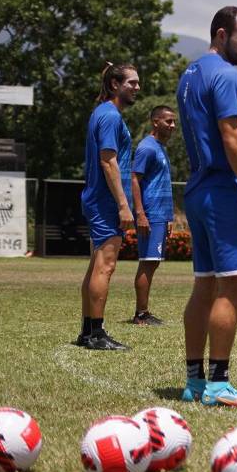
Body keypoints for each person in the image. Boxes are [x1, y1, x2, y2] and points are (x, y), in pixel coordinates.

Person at [177, 6, 237, 408]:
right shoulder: (227, 75)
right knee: (233, 283)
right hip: (222, 190)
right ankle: (219, 384)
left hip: (196, 190)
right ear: (221, 34)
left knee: (205, 283)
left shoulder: (190, 74)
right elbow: (231, 136)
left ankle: (194, 381)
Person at [76, 63, 140, 351]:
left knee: (95, 266)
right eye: (132, 82)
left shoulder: (102, 113)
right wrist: (124, 205)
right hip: (105, 201)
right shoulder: (110, 116)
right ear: (115, 84)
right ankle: (97, 334)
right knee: (106, 266)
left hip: (99, 199)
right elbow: (108, 161)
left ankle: (88, 331)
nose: (137, 88)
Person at [129, 105, 177, 325]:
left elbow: (161, 184)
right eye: (168, 121)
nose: (173, 126)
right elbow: (135, 180)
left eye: (174, 121)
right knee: (148, 262)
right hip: (150, 214)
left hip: (160, 215)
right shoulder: (147, 148)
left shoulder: (160, 148)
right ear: (155, 122)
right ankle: (141, 314)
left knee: (153, 262)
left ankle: (144, 312)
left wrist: (169, 217)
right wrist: (140, 214)